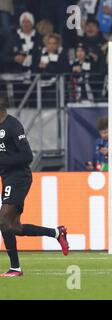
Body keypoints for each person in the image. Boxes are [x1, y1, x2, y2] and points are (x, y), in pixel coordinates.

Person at [0, 96, 69, 277]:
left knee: (3, 221)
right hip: (7, 178)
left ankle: (15, 268)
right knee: (14, 227)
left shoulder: (13, 126)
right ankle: (56, 233)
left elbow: (27, 156)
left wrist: (3, 161)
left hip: (19, 177)